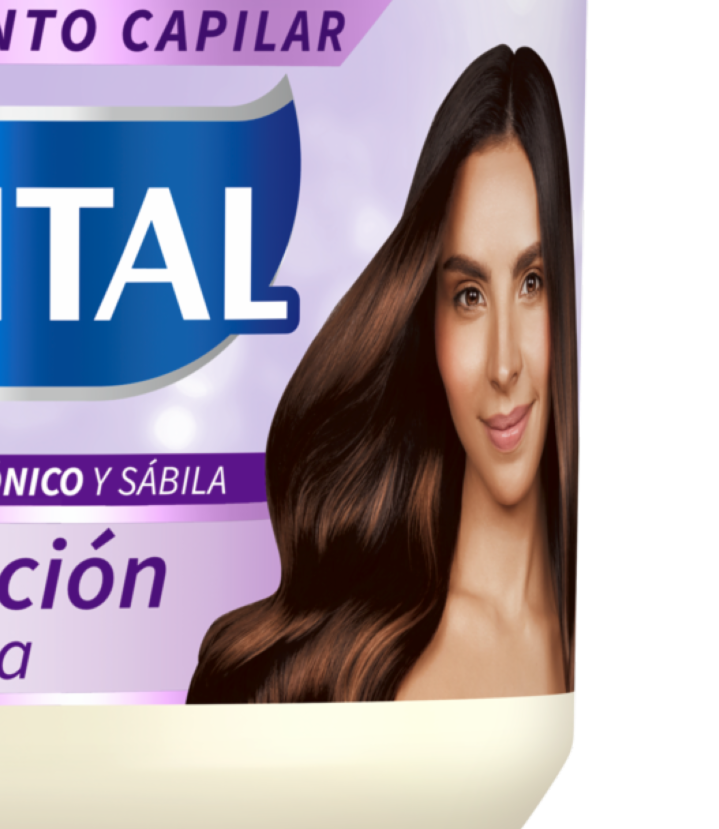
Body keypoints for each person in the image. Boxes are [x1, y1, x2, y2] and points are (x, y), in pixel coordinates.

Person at [187, 45, 578, 703]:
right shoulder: (335, 663)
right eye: (469, 296)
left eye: (533, 283)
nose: (504, 364)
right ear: (428, 319)